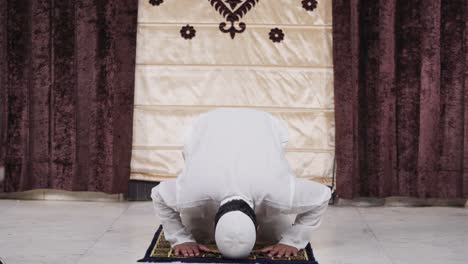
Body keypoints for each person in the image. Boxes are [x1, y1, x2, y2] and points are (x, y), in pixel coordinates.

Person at [151, 108, 331, 259]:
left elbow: (323, 196)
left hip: (264, 123)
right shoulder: (193, 191)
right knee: (197, 228)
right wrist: (181, 238)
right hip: (206, 125)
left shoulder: (279, 193)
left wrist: (293, 240)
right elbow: (158, 195)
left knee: (275, 230)